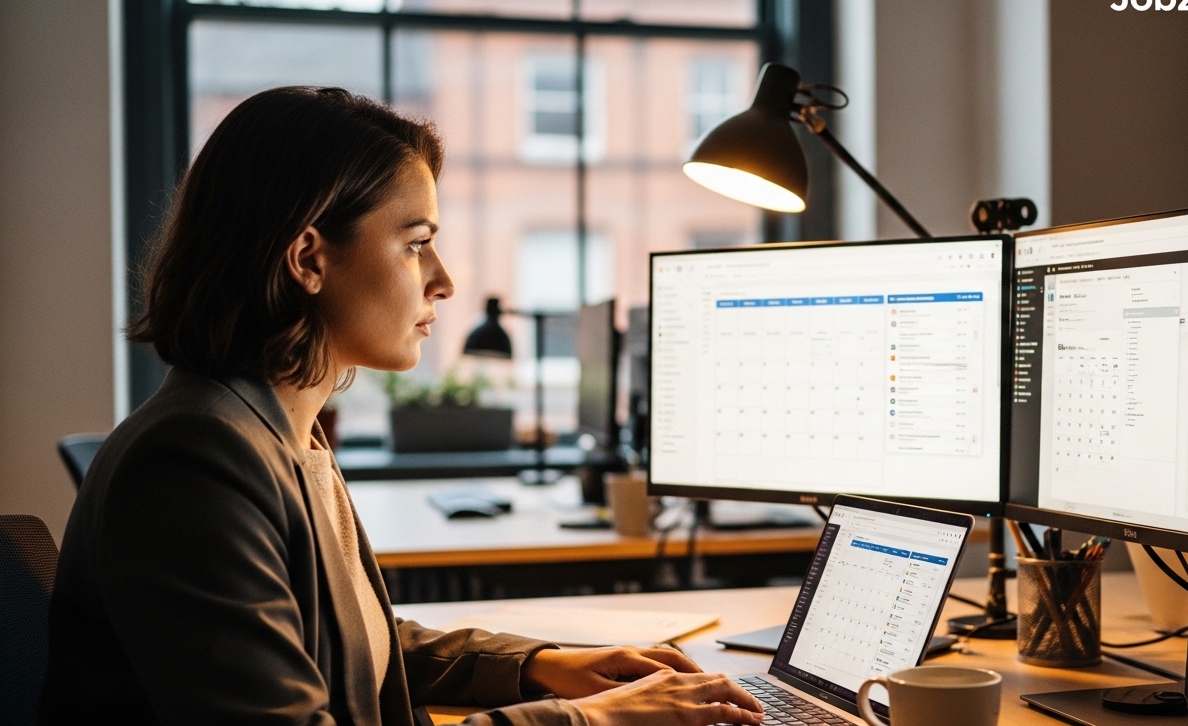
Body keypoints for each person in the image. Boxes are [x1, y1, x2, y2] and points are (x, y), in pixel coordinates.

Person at [39, 87, 765, 726]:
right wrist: (582, 722)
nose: (443, 281)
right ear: (309, 259)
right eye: (417, 244)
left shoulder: (281, 433)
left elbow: (357, 646)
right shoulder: (196, 459)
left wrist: (539, 665)